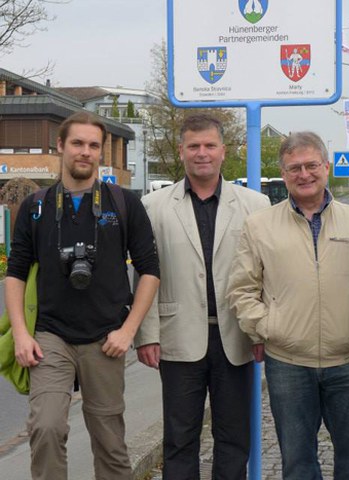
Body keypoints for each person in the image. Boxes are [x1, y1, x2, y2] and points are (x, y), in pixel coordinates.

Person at [227, 131, 349, 480]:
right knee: (298, 464)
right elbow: (242, 290)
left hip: (347, 362)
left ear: (326, 167)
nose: (304, 174)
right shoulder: (259, 226)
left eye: (311, 165)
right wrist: (268, 327)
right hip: (288, 364)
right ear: (284, 174)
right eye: (294, 168)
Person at [6, 112, 160, 480]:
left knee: (110, 443)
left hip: (106, 337)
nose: (85, 152)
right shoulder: (36, 206)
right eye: (77, 143)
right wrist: (21, 335)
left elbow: (150, 270)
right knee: (45, 428)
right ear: (60, 146)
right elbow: (14, 273)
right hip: (50, 336)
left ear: (100, 152)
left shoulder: (123, 204)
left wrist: (128, 331)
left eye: (93, 145)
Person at [135, 113, 270, 480]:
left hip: (237, 338)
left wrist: (261, 332)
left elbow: (265, 275)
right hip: (178, 337)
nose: (202, 153)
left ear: (224, 151)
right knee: (179, 439)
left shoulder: (255, 205)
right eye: (193, 146)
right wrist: (146, 334)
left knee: (234, 438)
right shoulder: (154, 206)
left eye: (209, 145)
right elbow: (146, 274)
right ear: (181, 152)